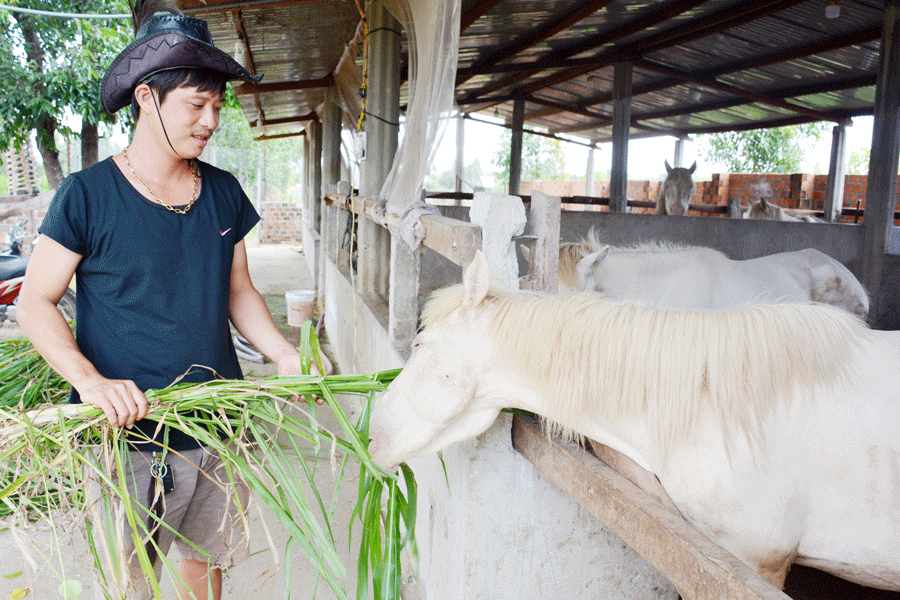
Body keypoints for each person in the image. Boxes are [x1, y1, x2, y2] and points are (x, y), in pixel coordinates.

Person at [17, 4, 314, 599]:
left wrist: (283, 353)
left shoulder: (224, 191)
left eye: (217, 107)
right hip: (130, 434)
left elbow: (239, 291)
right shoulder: (87, 195)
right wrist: (92, 381)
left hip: (216, 419)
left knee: (208, 566)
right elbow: (34, 303)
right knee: (133, 577)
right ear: (148, 98)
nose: (210, 121)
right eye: (195, 105)